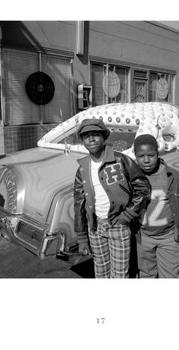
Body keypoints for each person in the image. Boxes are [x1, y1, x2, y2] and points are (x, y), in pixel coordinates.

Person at [73, 119, 151, 278]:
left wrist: (127, 215)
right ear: (82, 141)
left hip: (118, 225)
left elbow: (142, 187)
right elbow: (79, 203)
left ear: (104, 137)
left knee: (120, 273)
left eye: (96, 134)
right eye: (86, 136)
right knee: (100, 270)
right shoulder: (82, 168)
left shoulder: (121, 160)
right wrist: (82, 238)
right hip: (95, 227)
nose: (91, 139)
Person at [133, 134, 179, 278]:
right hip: (143, 237)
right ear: (135, 156)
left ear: (158, 153)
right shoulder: (131, 178)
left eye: (151, 155)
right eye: (141, 156)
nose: (146, 160)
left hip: (168, 237)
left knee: (170, 275)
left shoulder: (175, 177)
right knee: (146, 274)